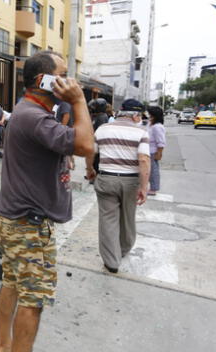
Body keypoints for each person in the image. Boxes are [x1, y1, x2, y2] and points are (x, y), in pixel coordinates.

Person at [0, 51, 94, 352]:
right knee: (33, 299)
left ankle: (3, 346)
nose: (70, 81)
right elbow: (87, 145)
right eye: (63, 74)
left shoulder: (28, 112)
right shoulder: (34, 116)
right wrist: (78, 101)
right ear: (43, 80)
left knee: (12, 281)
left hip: (16, 218)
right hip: (29, 224)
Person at [85, 98, 150, 274]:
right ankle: (123, 249)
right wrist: (144, 187)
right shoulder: (142, 133)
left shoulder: (103, 129)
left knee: (108, 219)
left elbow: (91, 151)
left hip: (106, 179)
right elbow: (143, 160)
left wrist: (90, 169)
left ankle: (111, 261)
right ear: (135, 115)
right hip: (130, 181)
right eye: (140, 115)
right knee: (128, 217)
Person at [147, 106, 166, 196]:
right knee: (147, 170)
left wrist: (159, 153)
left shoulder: (157, 127)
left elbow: (161, 142)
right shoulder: (151, 124)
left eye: (150, 113)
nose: (148, 115)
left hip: (152, 151)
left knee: (153, 171)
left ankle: (153, 188)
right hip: (147, 151)